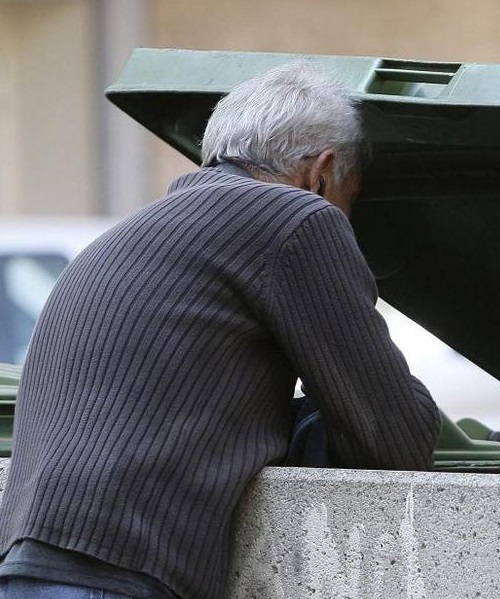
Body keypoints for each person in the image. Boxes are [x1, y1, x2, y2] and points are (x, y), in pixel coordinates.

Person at [0, 62, 441, 599]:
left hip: (32, 563)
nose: (345, 217)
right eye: (351, 199)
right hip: (118, 575)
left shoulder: (136, 232)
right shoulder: (297, 217)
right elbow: (395, 437)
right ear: (322, 172)